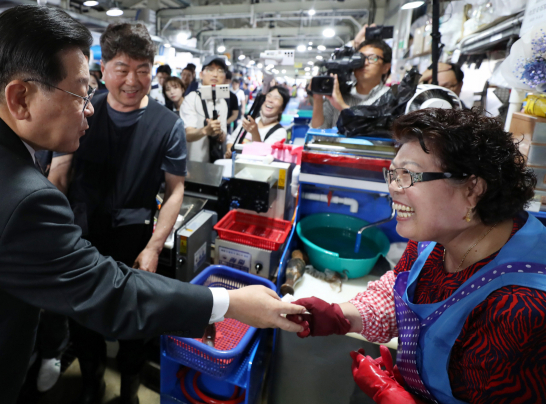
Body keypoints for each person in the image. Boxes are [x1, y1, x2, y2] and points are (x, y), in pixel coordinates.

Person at [0, 6, 306, 404]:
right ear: (20, 97)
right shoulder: (21, 201)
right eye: (79, 93)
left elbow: (172, 190)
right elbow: (112, 294)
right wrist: (231, 302)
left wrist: (151, 246)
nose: (90, 106)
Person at [287, 108, 546, 404]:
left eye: (408, 175)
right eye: (393, 174)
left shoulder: (521, 307)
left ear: (473, 189)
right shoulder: (434, 239)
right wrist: (340, 315)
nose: (392, 188)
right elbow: (399, 292)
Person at [47, 22, 205, 404]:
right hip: (81, 232)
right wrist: (51, 230)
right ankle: (92, 383)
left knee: (136, 320)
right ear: (104, 71)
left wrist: (154, 247)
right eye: (122, 68)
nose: (132, 80)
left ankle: (130, 391)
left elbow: (174, 190)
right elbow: (60, 171)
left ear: (153, 70)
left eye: (142, 69)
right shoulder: (83, 109)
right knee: (83, 318)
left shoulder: (167, 124)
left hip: (134, 234)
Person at [311, 38, 392, 130]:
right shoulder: (339, 93)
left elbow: (378, 137)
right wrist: (317, 99)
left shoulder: (391, 98)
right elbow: (318, 135)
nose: (364, 63)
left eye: (372, 58)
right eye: (360, 58)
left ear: (386, 67)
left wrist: (342, 106)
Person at [180, 56, 228, 162]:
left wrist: (219, 133)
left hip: (216, 163)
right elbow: (188, 135)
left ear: (224, 77)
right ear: (201, 74)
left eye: (220, 71)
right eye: (210, 69)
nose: (215, 74)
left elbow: (223, 136)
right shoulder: (191, 98)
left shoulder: (222, 102)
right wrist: (206, 130)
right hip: (194, 164)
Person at [225, 85, 289, 158]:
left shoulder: (280, 132)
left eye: (276, 98)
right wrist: (229, 150)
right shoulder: (251, 120)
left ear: (282, 108)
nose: (270, 100)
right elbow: (232, 140)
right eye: (269, 96)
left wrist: (255, 133)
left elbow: (264, 156)